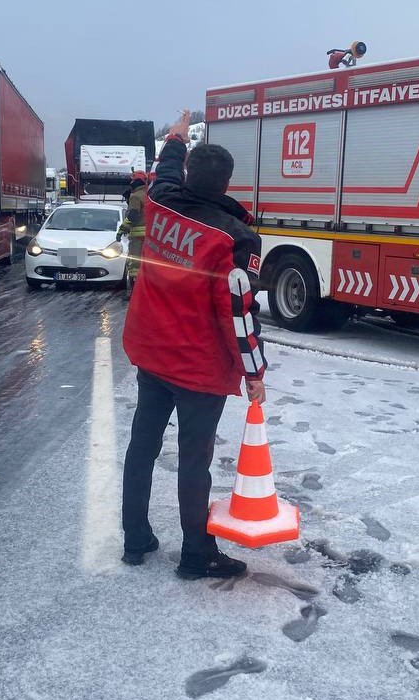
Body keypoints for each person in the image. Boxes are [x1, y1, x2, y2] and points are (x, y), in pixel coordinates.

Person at [121, 110, 268, 580]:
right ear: (226, 184)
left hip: (151, 353)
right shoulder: (236, 239)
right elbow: (239, 315)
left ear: (188, 175)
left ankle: (135, 537)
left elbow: (165, 169)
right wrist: (255, 374)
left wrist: (177, 135)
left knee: (142, 446)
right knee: (193, 460)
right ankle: (196, 553)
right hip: (198, 368)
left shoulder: (161, 201)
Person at [116, 170, 148, 299]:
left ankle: (135, 293)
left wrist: (121, 230)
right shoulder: (148, 194)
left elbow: (133, 216)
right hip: (148, 237)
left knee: (134, 264)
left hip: (137, 237)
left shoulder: (135, 196)